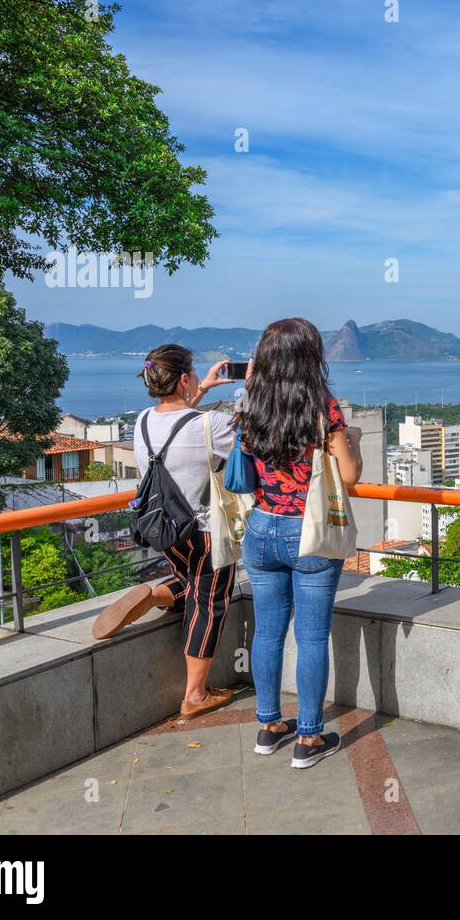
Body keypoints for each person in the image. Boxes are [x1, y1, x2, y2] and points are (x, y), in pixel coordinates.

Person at [236, 318, 363, 769]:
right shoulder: (322, 409)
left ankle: (268, 726)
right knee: (311, 638)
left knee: (267, 633)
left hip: (260, 527)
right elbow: (348, 476)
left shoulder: (251, 405)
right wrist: (353, 442)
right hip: (307, 533)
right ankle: (308, 738)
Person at [91, 344, 238, 721]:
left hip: (164, 529)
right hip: (205, 529)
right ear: (184, 378)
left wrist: (199, 389)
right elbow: (250, 439)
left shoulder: (140, 423)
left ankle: (156, 594)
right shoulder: (214, 426)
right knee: (208, 602)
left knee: (189, 581)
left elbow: (181, 421)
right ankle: (194, 695)